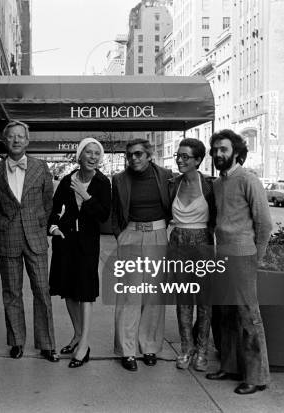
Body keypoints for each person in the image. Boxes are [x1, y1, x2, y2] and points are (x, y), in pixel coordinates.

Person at [205, 129, 272, 395]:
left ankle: (257, 376)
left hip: (244, 256)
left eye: (223, 149)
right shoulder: (219, 183)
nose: (218, 154)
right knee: (225, 315)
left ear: (236, 151)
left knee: (248, 317)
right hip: (223, 255)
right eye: (215, 150)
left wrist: (258, 256)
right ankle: (230, 367)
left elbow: (264, 223)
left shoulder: (248, 179)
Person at [0, 120, 59, 362]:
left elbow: (48, 201)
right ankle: (16, 341)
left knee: (42, 290)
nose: (16, 140)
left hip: (35, 237)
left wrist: (38, 223)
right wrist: (3, 226)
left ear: (27, 141)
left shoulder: (41, 167)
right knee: (11, 293)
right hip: (8, 238)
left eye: (20, 136)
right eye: (11, 137)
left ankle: (46, 344)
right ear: (4, 140)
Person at [48, 138, 111, 368]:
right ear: (80, 155)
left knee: (85, 292)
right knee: (69, 291)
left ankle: (84, 344)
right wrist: (54, 228)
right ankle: (76, 335)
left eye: (97, 153)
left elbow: (104, 215)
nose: (93, 157)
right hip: (66, 242)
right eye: (89, 152)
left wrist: (86, 195)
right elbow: (55, 209)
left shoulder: (103, 183)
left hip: (87, 244)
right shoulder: (67, 180)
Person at [111, 138, 173, 371]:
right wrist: (121, 235)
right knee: (130, 296)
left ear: (149, 156)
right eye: (130, 155)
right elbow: (115, 213)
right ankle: (127, 351)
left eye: (138, 154)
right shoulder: (119, 180)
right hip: (131, 235)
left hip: (158, 235)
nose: (133, 158)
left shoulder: (166, 176)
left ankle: (149, 347)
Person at [167, 138, 216, 371]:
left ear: (198, 160)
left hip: (203, 242)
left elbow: (218, 218)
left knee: (205, 303)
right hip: (177, 242)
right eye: (178, 155)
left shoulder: (210, 186)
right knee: (183, 301)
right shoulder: (172, 184)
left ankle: (202, 350)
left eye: (185, 156)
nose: (180, 160)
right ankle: (186, 349)